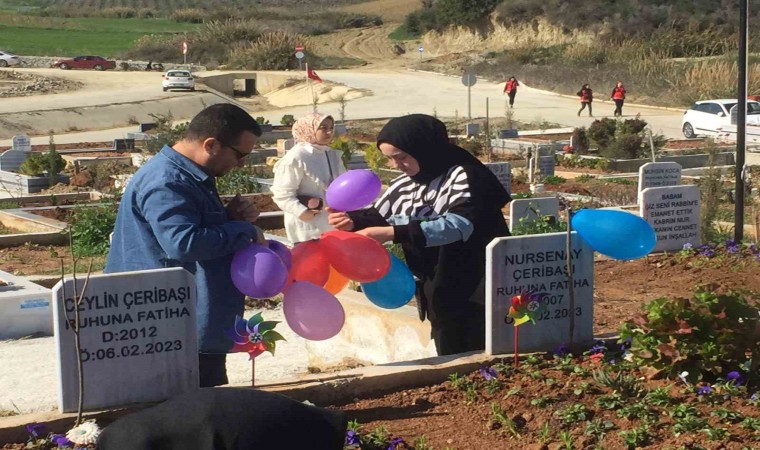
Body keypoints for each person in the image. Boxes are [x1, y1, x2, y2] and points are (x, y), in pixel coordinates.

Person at [105, 103, 265, 388]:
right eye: (240, 155)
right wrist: (245, 231)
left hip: (187, 326)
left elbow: (190, 230)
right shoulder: (168, 181)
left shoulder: (190, 175)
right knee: (191, 410)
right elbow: (183, 243)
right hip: (172, 331)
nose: (241, 164)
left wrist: (228, 219)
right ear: (211, 145)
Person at [328, 114, 511, 355]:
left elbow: (459, 224)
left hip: (477, 284)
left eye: (401, 157)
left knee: (480, 350)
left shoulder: (465, 175)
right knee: (449, 347)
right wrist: (351, 221)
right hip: (439, 284)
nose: (396, 165)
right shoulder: (407, 182)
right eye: (390, 159)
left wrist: (393, 233)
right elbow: (381, 214)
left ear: (424, 149)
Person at [271, 113, 346, 243]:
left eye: (331, 128)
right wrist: (301, 212)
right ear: (309, 129)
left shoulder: (331, 154)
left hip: (332, 225)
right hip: (308, 229)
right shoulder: (296, 157)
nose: (329, 132)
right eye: (323, 128)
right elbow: (282, 194)